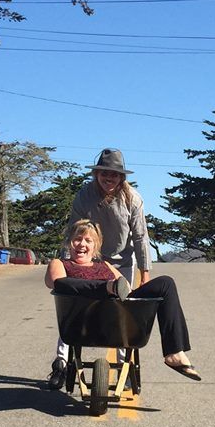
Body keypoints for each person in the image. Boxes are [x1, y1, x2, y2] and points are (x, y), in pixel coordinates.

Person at [46, 147, 152, 389]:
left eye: (114, 174)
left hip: (121, 263)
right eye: (104, 173)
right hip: (87, 259)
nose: (109, 178)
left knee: (122, 312)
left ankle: (124, 367)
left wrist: (144, 275)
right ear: (96, 174)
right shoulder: (85, 195)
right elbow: (74, 231)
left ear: (121, 177)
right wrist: (67, 265)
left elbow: (140, 237)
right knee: (71, 306)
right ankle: (61, 362)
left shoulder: (132, 199)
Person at [45, 219, 201, 381]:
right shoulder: (60, 264)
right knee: (73, 285)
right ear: (69, 242)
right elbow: (58, 283)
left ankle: (174, 352)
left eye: (88, 240)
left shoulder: (105, 265)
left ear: (95, 245)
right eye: (77, 239)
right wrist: (105, 287)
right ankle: (61, 367)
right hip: (82, 325)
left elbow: (125, 290)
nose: (82, 244)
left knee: (166, 283)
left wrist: (117, 288)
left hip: (116, 325)